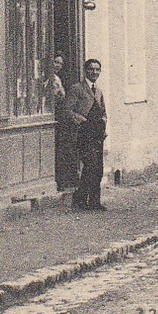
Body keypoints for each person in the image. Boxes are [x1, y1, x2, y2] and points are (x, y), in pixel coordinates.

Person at [67, 59, 108, 210]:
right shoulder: (77, 88)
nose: (94, 72)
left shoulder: (98, 91)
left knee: (98, 169)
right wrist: (81, 120)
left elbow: (103, 111)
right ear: (85, 71)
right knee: (90, 166)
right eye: (91, 69)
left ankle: (94, 202)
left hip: (97, 135)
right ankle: (80, 198)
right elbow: (68, 111)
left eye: (97, 70)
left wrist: (103, 122)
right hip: (84, 134)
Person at [47, 54, 78, 191]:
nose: (57, 65)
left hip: (59, 116)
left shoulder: (57, 78)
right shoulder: (48, 78)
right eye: (55, 62)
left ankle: (66, 180)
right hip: (51, 114)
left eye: (60, 63)